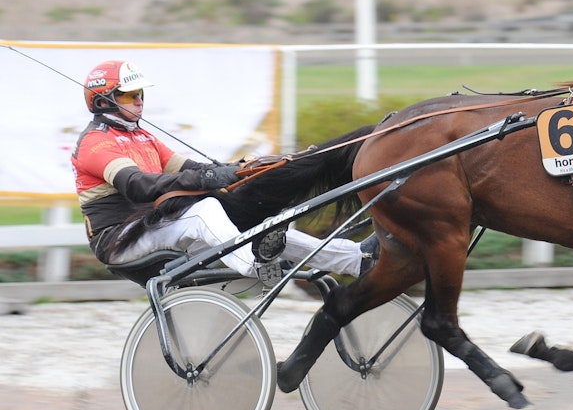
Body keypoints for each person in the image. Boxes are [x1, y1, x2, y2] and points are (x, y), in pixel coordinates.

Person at [70, 59, 375, 282]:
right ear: (102, 100)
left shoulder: (143, 136)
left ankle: (352, 260)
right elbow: (136, 185)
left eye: (140, 94)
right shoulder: (95, 143)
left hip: (152, 225)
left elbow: (191, 168)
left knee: (259, 225)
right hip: (118, 239)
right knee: (204, 211)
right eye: (128, 95)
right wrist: (206, 179)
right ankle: (255, 264)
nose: (138, 102)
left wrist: (235, 171)